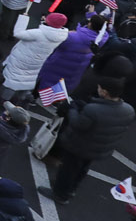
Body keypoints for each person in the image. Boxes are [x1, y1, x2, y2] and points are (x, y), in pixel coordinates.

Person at [43, 76, 132, 204]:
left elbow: (77, 123)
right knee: (82, 169)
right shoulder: (128, 110)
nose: (98, 89)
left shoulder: (93, 110)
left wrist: (73, 110)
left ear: (104, 92)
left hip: (80, 145)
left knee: (68, 169)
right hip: (100, 147)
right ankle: (71, 189)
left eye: (99, 88)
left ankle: (60, 194)